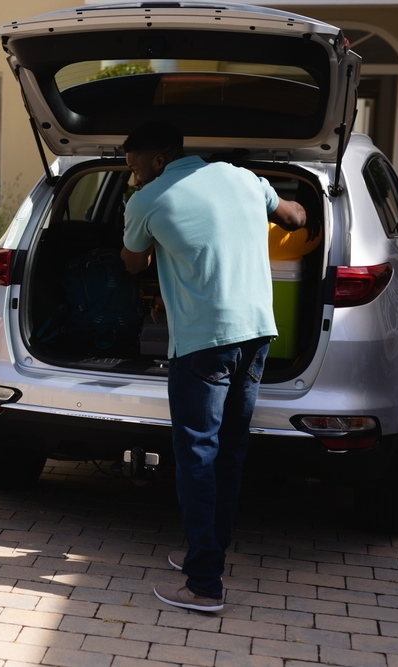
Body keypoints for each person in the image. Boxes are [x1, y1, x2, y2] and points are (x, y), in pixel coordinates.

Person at [119, 122, 311, 612]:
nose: (130, 173)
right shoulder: (242, 178)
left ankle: (204, 584)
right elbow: (292, 215)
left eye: (134, 164)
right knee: (228, 451)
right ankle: (207, 553)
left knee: (197, 456)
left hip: (203, 342)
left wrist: (155, 233)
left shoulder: (147, 200)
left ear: (158, 160)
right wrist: (295, 207)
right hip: (256, 333)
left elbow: (131, 264)